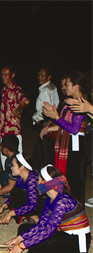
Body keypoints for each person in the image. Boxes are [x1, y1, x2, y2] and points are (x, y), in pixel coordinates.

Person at [6, 165, 90, 253]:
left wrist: (21, 246)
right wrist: (20, 238)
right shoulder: (49, 199)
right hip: (64, 234)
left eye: (40, 180)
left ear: (47, 184)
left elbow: (48, 231)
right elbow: (41, 224)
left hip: (76, 243)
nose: (37, 182)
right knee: (23, 229)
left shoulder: (62, 202)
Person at [42, 71, 90, 206]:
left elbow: (74, 129)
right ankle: (65, 209)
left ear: (76, 86)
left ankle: (76, 213)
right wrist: (54, 117)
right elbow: (65, 125)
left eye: (67, 84)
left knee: (75, 181)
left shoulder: (81, 104)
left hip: (77, 146)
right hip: (69, 145)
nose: (64, 87)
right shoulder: (70, 103)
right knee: (67, 179)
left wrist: (56, 117)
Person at [0, 153, 44, 224]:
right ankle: (32, 217)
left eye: (13, 165)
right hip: (36, 203)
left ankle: (37, 219)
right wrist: (3, 206)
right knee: (16, 192)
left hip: (45, 205)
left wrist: (11, 213)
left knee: (21, 196)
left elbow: (32, 205)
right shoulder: (21, 178)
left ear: (22, 167)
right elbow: (14, 196)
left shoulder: (32, 179)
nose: (11, 168)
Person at [0, 66, 30, 169]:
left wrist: (18, 109)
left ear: (12, 75)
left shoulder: (16, 90)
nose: (3, 76)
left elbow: (26, 101)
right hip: (3, 129)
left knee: (17, 157)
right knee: (4, 156)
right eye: (2, 74)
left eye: (6, 74)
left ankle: (19, 182)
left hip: (13, 129)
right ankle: (6, 180)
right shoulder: (3, 90)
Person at [32, 66, 60, 169]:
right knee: (41, 151)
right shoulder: (53, 87)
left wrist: (43, 121)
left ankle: (45, 173)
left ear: (49, 77)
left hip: (45, 122)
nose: (39, 77)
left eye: (42, 75)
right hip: (50, 120)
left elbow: (45, 109)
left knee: (44, 152)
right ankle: (36, 171)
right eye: (38, 75)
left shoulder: (45, 90)